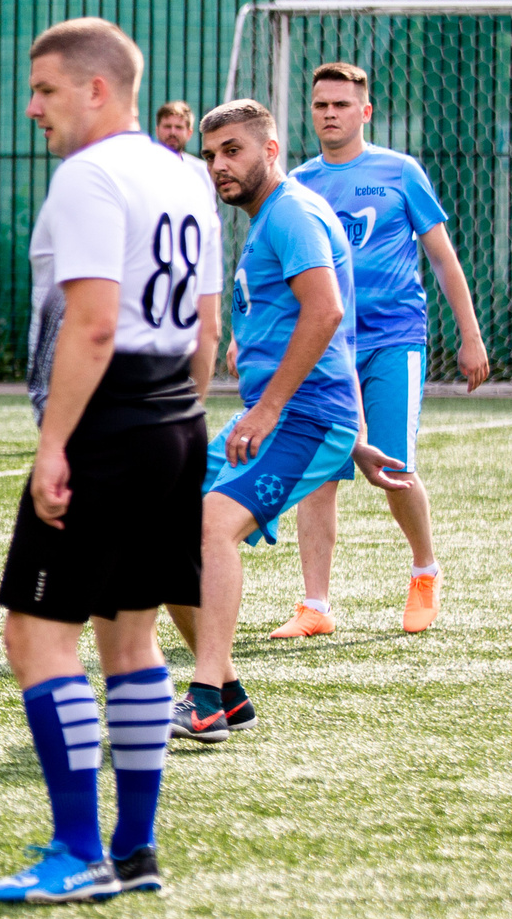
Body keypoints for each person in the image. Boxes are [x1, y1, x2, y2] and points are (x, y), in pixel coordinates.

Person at [0, 19, 219, 905]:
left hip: (108, 425)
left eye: (44, 89)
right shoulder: (181, 173)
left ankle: (77, 850)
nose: (33, 106)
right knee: (131, 635)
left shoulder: (89, 175)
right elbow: (199, 315)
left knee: (36, 634)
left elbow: (94, 321)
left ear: (97, 89)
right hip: (173, 418)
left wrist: (53, 444)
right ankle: (135, 851)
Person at [164, 99, 411, 744]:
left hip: (297, 418)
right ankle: (229, 692)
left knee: (213, 524)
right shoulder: (272, 217)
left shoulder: (293, 212)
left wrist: (280, 412)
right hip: (293, 418)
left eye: (234, 151)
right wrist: (354, 441)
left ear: (270, 151)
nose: (219, 166)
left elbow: (326, 313)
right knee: (164, 530)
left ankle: (205, 697)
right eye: (213, 154)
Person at [281, 60, 492, 636]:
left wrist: (470, 336)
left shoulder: (401, 172)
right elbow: (283, 267)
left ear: (364, 111)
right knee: (322, 468)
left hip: (395, 339)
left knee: (392, 467)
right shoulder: (297, 183)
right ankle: (315, 607)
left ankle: (425, 571)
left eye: (342, 105)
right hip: (327, 347)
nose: (330, 113)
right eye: (322, 104)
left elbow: (443, 259)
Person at [153, 99, 213, 189]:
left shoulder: (200, 171)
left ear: (189, 133)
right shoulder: (143, 168)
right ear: (157, 131)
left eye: (179, 127)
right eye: (167, 127)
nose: (172, 132)